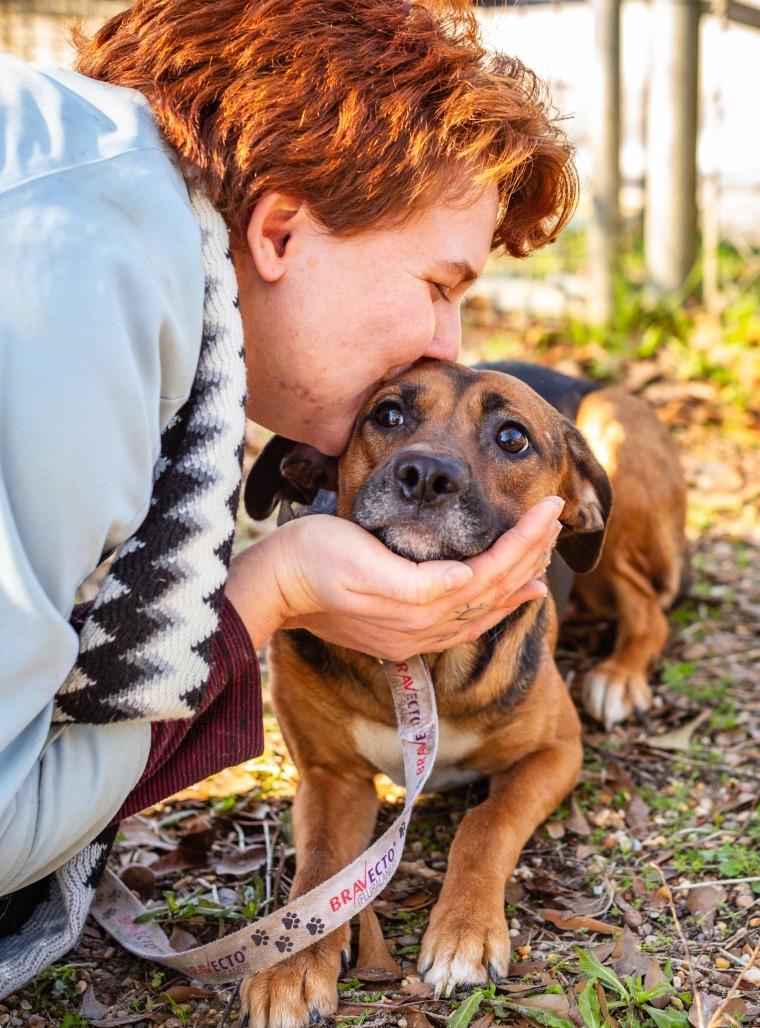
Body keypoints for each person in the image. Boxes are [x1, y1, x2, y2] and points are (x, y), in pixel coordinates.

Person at [0, 0, 576, 994]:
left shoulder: (93, 189)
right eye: (440, 284)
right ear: (278, 230)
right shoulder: (86, 277)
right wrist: (270, 587)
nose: (445, 342)